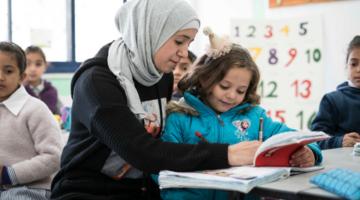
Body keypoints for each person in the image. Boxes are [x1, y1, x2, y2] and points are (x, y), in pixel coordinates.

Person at [50, 0, 268, 199]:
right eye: (179, 41)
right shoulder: (97, 82)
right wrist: (227, 154)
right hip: (88, 190)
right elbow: (141, 151)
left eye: (189, 44)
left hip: (142, 188)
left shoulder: (160, 76)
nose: (184, 53)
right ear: (151, 31)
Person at [156, 28, 323, 200]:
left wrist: (309, 152)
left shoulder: (255, 117)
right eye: (225, 86)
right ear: (205, 79)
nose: (232, 95)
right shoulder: (178, 117)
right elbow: (160, 166)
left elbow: (294, 138)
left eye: (241, 90)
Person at [0, 41, 63, 199]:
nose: (0, 77)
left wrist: (8, 174)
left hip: (30, 189)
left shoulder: (35, 109)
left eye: (8, 71)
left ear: (21, 77)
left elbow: (54, 157)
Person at [311, 35, 360, 149]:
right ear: (346, 66)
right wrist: (339, 142)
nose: (358, 69)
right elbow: (314, 140)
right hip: (341, 164)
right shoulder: (331, 101)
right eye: (353, 64)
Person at [23, 45, 62, 115]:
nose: (33, 69)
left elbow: (60, 115)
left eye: (38, 64)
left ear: (45, 66)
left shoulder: (52, 91)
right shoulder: (19, 91)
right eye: (28, 64)